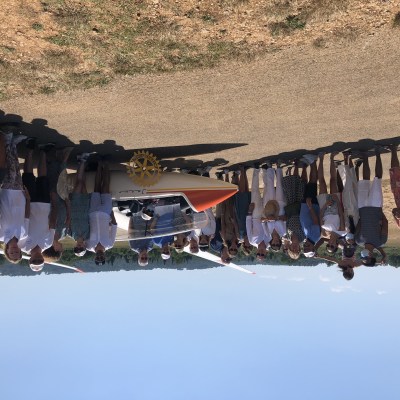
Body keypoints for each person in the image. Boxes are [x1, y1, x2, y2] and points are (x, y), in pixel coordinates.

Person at [19, 141, 57, 272]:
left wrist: (25, 202)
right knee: (43, 177)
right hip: (45, 205)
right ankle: (43, 152)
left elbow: (22, 222)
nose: (37, 259)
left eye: (34, 261)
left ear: (29, 260)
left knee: (28, 176)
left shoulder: (22, 246)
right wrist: (54, 203)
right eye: (39, 261)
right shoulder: (48, 243)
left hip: (28, 203)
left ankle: (29, 150)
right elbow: (52, 223)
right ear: (43, 260)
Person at [0, 131, 29, 263]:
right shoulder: (23, 234)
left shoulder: (1, 235)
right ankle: (13, 145)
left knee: (9, 168)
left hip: (6, 194)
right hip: (19, 196)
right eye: (17, 252)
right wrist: (28, 199)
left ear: (7, 251)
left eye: (12, 253)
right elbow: (27, 216)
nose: (14, 250)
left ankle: (7, 141)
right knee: (16, 168)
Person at [355, 149, 388, 266]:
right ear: (372, 256)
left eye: (362, 258)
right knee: (377, 179)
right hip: (375, 207)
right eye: (366, 258)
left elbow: (359, 223)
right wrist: (380, 210)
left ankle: (365, 156)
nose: (364, 255)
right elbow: (385, 223)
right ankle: (378, 153)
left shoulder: (358, 241)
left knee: (364, 180)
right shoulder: (381, 241)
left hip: (362, 207)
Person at [86, 159, 117, 265]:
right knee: (105, 187)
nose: (99, 256)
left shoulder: (88, 246)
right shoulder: (110, 244)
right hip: (105, 212)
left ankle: (99, 164)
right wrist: (111, 212)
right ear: (105, 257)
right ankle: (106, 163)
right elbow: (114, 226)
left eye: (98, 258)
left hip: (92, 213)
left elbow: (85, 231)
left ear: (95, 258)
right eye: (101, 258)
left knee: (97, 187)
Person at [316, 152, 346, 254]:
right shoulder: (341, 231)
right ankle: (332, 157)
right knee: (333, 181)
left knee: (321, 182)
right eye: (332, 246)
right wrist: (337, 201)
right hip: (336, 207)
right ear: (336, 245)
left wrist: (325, 205)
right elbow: (341, 215)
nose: (330, 244)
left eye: (328, 246)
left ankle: (321, 158)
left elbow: (320, 216)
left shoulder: (324, 234)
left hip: (324, 207)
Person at [246, 166, 271, 261]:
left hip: (255, 215)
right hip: (267, 215)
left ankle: (256, 170)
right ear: (266, 253)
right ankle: (265, 171)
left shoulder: (252, 241)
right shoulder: (270, 240)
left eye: (258, 254)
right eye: (262, 254)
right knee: (267, 191)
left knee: (255, 191)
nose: (261, 252)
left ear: (256, 252)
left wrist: (249, 212)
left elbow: (248, 226)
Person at [282, 161, 305, 260]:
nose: (295, 248)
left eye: (292, 249)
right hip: (300, 208)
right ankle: (302, 167)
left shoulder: (287, 236)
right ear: (299, 249)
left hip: (290, 208)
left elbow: (286, 222)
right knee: (300, 186)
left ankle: (295, 166)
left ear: (290, 248)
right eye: (297, 250)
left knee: (290, 188)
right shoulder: (303, 237)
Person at [262, 163, 287, 252]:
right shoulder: (283, 232)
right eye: (277, 244)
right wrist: (276, 218)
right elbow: (285, 218)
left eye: (273, 244)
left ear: (271, 243)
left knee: (269, 187)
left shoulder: (267, 233)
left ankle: (269, 168)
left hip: (269, 207)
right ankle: (279, 167)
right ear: (280, 243)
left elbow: (262, 221)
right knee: (280, 186)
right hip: (280, 207)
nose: (275, 243)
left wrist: (267, 219)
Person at [299, 156, 320, 258]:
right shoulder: (315, 237)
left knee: (308, 184)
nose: (306, 247)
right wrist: (310, 206)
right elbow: (315, 221)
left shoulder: (307, 237)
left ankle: (310, 163)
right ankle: (313, 162)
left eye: (304, 249)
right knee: (313, 182)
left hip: (305, 205)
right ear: (313, 248)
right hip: (311, 205)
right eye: (308, 249)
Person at [231, 165, 252, 255]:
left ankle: (241, 170)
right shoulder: (251, 236)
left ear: (244, 246)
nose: (248, 245)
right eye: (249, 246)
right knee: (246, 191)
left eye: (246, 246)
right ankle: (244, 172)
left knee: (242, 192)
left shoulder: (240, 237)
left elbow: (235, 225)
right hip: (249, 212)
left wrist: (234, 214)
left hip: (240, 213)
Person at [337, 151, 359, 230]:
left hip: (347, 203)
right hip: (356, 202)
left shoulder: (347, 227)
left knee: (347, 180)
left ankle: (346, 158)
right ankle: (349, 159)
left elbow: (343, 214)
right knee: (353, 178)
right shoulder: (358, 226)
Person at [389, 144, 400, 228]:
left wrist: (396, 214)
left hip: (397, 195)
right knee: (395, 172)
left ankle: (393, 150)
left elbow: (394, 211)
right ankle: (393, 149)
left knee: (394, 171)